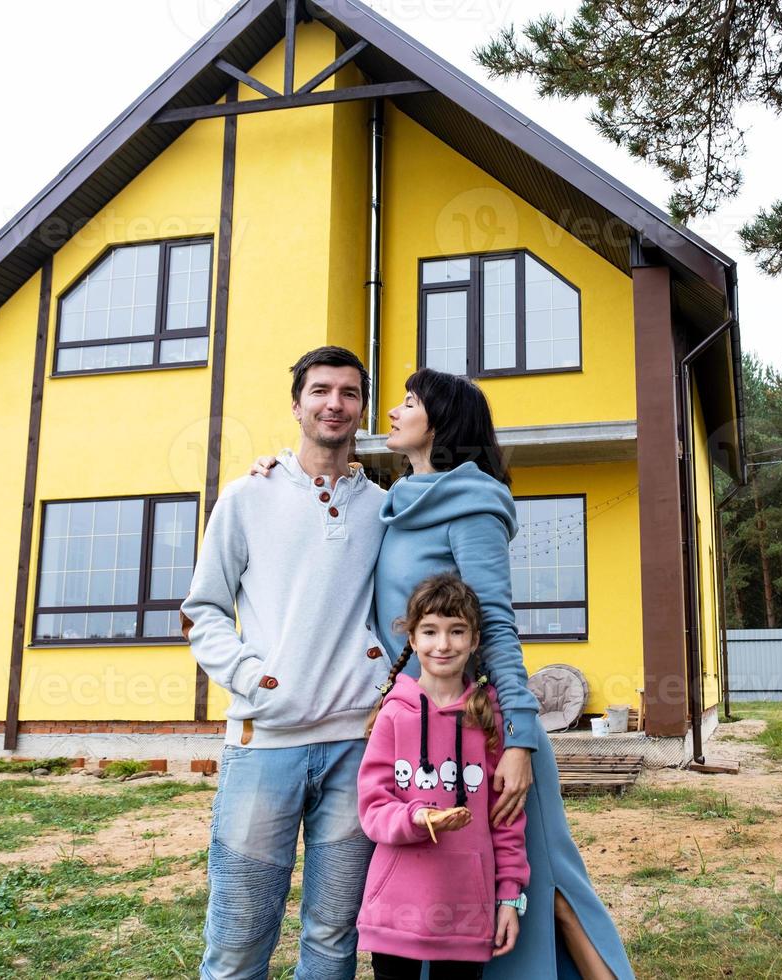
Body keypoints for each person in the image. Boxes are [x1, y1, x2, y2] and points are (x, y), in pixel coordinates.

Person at [254, 366, 632, 978]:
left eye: (409, 402)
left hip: (484, 730)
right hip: (421, 724)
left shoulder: (471, 503)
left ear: (443, 421)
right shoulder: (398, 503)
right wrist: (273, 474)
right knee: (445, 880)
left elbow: (498, 627)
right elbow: (327, 494)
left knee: (545, 889)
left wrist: (521, 741)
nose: (394, 411)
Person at [183, 346, 389, 980]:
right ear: (296, 404)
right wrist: (252, 678)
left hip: (355, 745)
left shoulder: (383, 507)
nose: (335, 403)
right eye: (321, 390)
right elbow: (202, 610)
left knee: (333, 939)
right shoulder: (248, 496)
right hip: (263, 742)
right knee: (241, 934)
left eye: (349, 393)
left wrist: (381, 677)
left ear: (362, 407)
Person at [355, 573, 528, 980]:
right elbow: (372, 806)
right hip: (395, 912)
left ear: (474, 641)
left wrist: (509, 899)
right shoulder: (394, 714)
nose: (443, 644)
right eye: (430, 631)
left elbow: (507, 821)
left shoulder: (490, 719)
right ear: (413, 640)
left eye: (456, 631)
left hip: (467, 912)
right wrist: (418, 818)